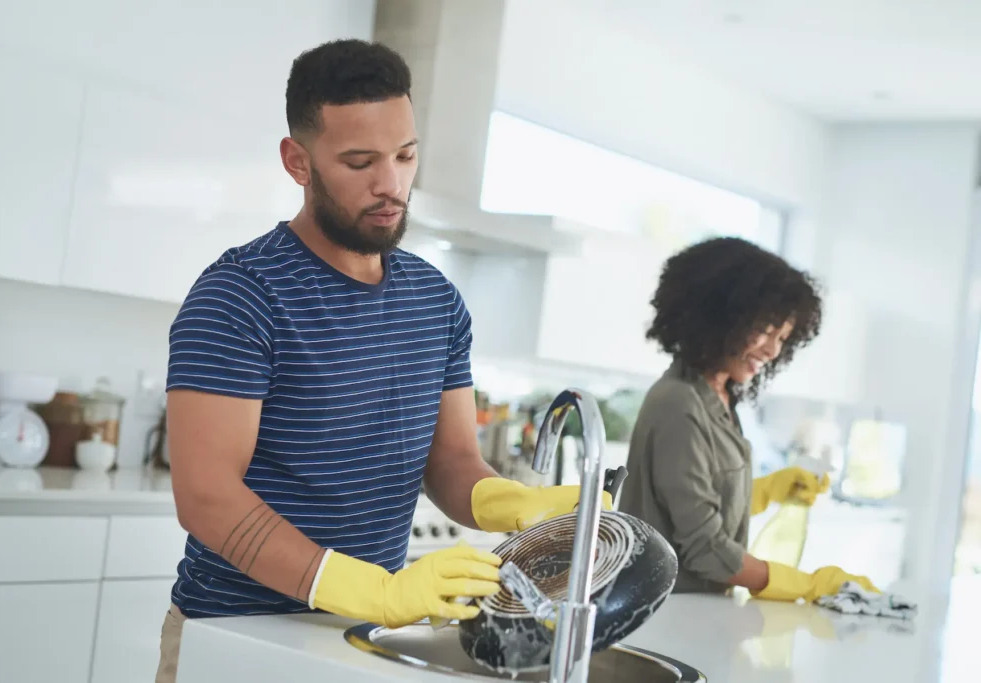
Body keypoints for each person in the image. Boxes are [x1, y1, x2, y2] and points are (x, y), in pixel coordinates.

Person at [154, 38, 608, 682]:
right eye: (360, 161)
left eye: (405, 155)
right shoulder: (241, 294)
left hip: (363, 643)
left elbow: (451, 462)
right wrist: (376, 591)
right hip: (236, 638)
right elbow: (207, 499)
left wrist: (514, 505)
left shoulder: (436, 300)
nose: (390, 184)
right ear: (297, 161)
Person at [618, 237, 880, 602]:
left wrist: (770, 488)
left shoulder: (719, 397)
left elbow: (702, 502)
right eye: (767, 331)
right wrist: (806, 585)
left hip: (699, 612)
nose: (773, 351)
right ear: (722, 316)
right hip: (668, 612)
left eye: (783, 337)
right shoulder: (678, 404)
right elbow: (705, 548)